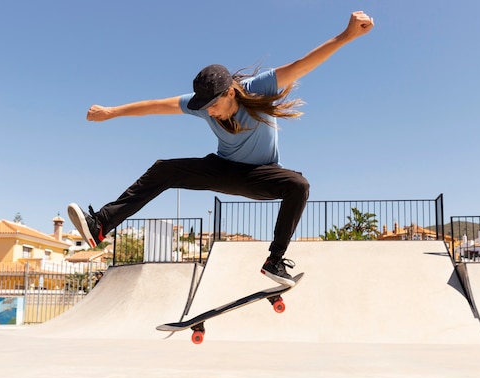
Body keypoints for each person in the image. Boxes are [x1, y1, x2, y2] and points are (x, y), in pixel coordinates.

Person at [69, 11, 374, 286]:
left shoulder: (260, 87)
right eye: (206, 108)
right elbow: (155, 106)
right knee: (165, 169)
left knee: (298, 185)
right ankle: (101, 225)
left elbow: (300, 66)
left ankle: (274, 261)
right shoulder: (201, 105)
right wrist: (111, 112)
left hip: (261, 174)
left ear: (230, 92)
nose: (210, 113)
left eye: (215, 106)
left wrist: (346, 36)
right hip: (223, 168)